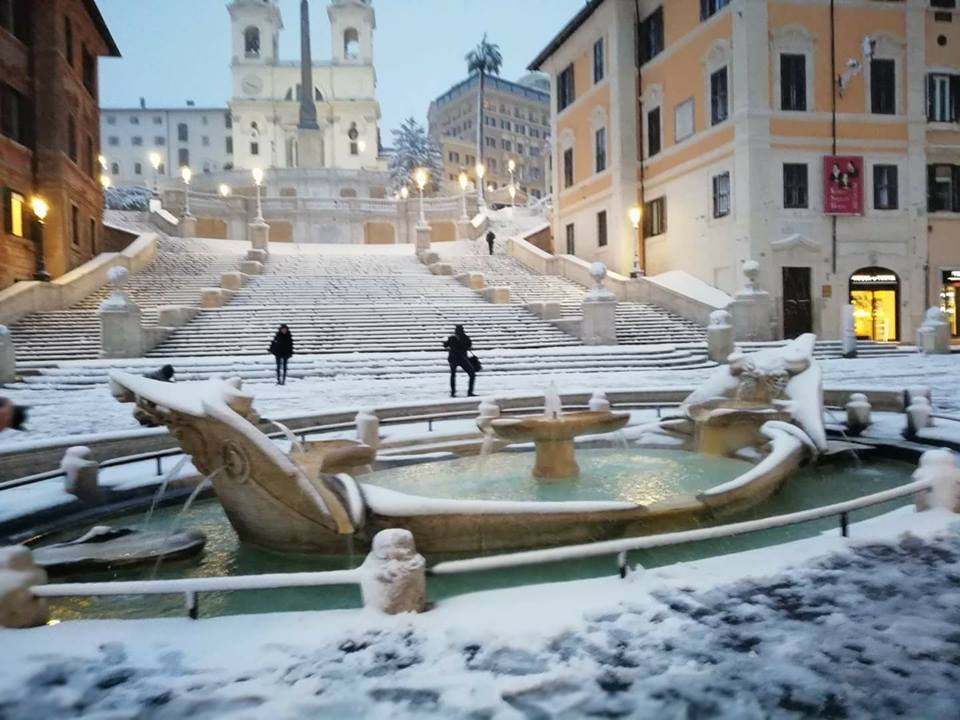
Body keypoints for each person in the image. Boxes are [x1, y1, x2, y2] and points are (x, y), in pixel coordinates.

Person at [443, 325, 476, 398]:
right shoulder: (465, 337)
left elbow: (445, 345)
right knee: (472, 374)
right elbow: (469, 345)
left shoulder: (452, 338)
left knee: (453, 375)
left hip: (453, 359)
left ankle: (453, 392)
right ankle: (470, 392)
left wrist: (446, 342)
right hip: (463, 359)